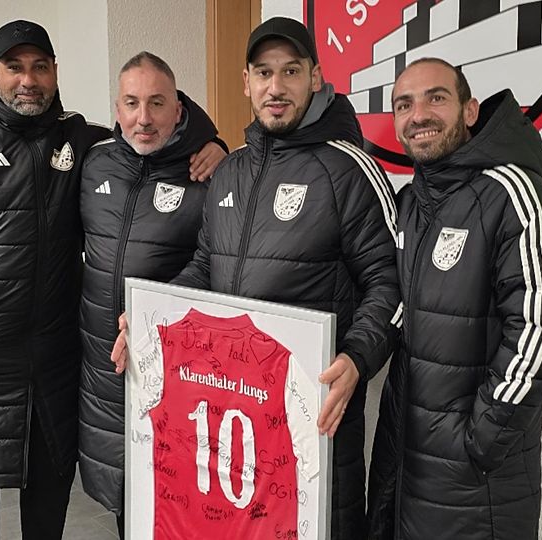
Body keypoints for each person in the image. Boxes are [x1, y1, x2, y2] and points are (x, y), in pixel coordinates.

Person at [0, 20, 222, 539]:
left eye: (40, 67)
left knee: (48, 510)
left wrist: (210, 138)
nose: (28, 79)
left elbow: (146, 124)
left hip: (54, 366)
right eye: (15, 67)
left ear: (55, 72)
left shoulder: (77, 139)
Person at [112, 17, 401, 539]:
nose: (276, 87)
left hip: (311, 420)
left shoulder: (351, 170)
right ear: (246, 82)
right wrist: (151, 319)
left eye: (290, 71)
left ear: (315, 77)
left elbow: (392, 283)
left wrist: (358, 358)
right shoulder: (231, 170)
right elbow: (205, 265)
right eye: (264, 73)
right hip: (230, 414)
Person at [366, 58, 542, 540]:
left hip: (474, 481)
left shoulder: (513, 192)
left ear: (470, 110)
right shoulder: (411, 202)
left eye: (435, 98)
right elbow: (395, 307)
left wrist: (480, 440)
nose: (418, 114)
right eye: (404, 104)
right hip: (406, 462)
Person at [76, 51, 223, 538]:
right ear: (116, 109)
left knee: (183, 505)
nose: (144, 118)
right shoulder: (94, 163)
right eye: (132, 103)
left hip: (177, 373)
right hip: (104, 374)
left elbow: (215, 271)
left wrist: (216, 141)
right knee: (128, 502)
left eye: (157, 103)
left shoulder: (207, 173)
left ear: (179, 109)